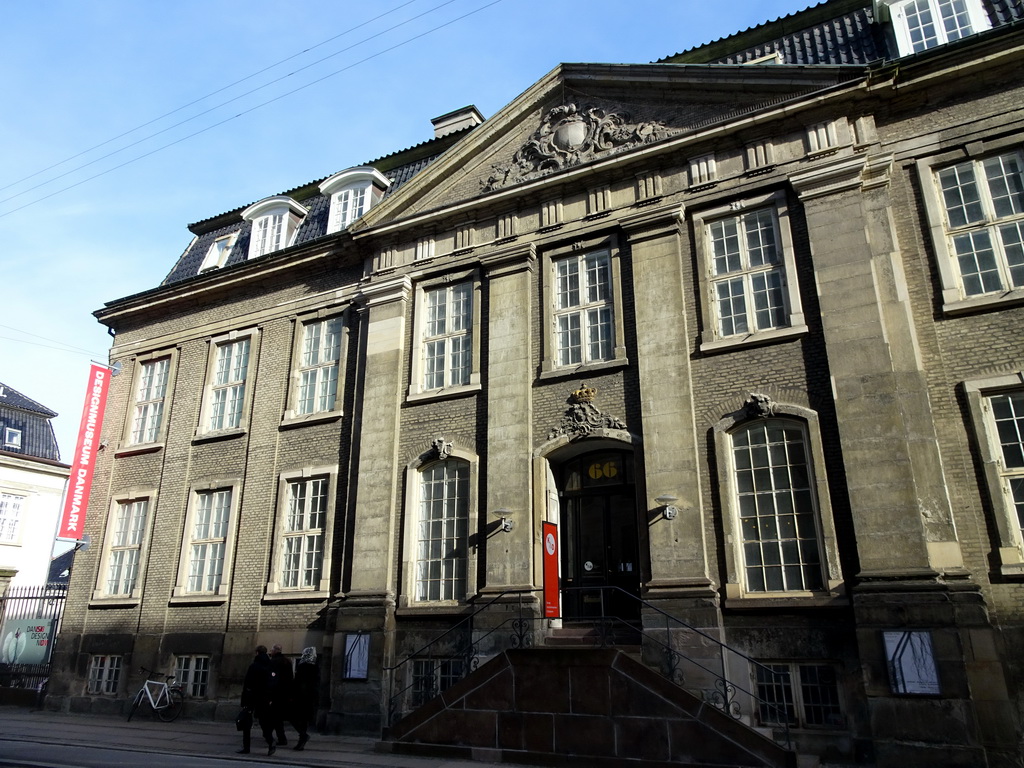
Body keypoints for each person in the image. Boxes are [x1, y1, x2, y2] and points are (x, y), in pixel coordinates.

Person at [239, 645, 276, 755]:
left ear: (257, 653)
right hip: (264, 697)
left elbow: (247, 683)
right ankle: (270, 741)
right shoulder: (270, 665)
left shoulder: (254, 666)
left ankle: (246, 747)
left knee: (246, 723)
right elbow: (272, 683)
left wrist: (244, 700)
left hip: (252, 697)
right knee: (264, 722)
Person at [290, 647, 320, 750]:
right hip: (310, 698)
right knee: (304, 720)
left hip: (300, 697)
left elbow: (298, 682)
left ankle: (303, 736)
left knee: (293, 717)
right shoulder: (315, 667)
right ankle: (302, 739)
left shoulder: (303, 666)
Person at [268, 644, 294, 747]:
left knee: (275, 718)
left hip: (276, 694)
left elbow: (273, 678)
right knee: (280, 717)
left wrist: (270, 694)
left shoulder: (274, 662)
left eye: (272, 650)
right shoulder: (287, 661)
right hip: (286, 693)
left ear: (275, 651)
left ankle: (278, 738)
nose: (270, 652)